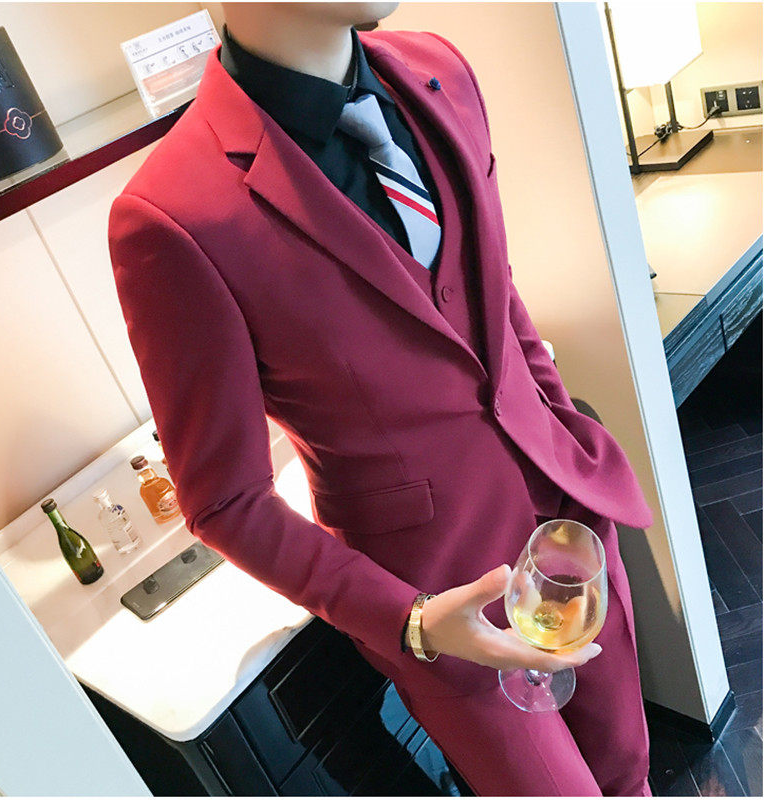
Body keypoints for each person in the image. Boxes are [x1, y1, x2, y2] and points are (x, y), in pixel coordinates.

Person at [107, 3, 655, 795]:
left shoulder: (441, 73)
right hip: (444, 599)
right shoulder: (173, 214)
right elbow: (225, 501)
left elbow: (493, 292)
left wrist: (556, 417)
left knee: (630, 771)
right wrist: (412, 622)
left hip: (572, 527)